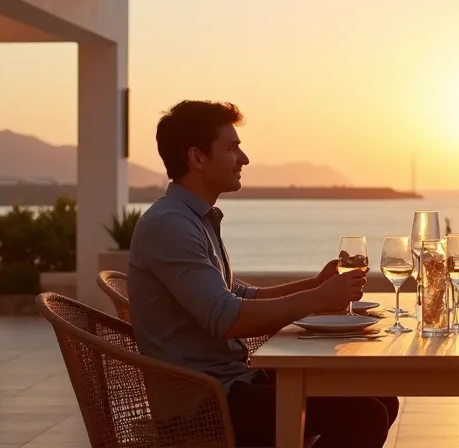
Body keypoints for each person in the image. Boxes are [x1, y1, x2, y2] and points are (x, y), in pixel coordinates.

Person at [128, 100, 399, 448]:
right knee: (364, 415)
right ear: (197, 158)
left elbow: (240, 297)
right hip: (206, 403)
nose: (244, 159)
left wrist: (315, 285)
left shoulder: (193, 220)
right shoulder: (170, 226)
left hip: (233, 383)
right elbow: (228, 319)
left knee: (378, 396)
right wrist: (317, 299)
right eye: (231, 148)